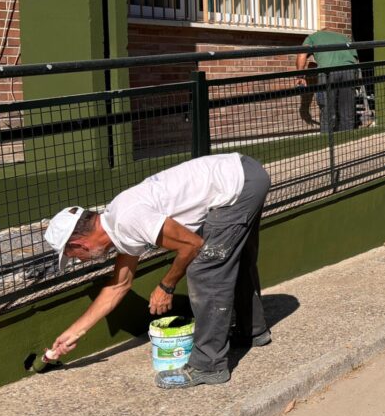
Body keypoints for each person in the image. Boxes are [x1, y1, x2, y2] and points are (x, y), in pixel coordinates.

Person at [42, 153, 271, 389]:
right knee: (230, 258)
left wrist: (166, 286)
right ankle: (252, 331)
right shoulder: (116, 223)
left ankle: (209, 365)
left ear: (80, 244)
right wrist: (74, 333)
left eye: (73, 256)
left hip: (240, 184)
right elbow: (118, 286)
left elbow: (192, 245)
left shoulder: (128, 219)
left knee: (206, 269)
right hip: (243, 175)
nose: (79, 260)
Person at [296, 30, 361, 133]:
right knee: (347, 110)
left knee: (327, 109)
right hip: (349, 71)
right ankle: (347, 141)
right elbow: (355, 58)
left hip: (328, 72)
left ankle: (326, 140)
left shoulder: (313, 37)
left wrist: (300, 76)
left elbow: (302, 55)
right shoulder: (344, 37)